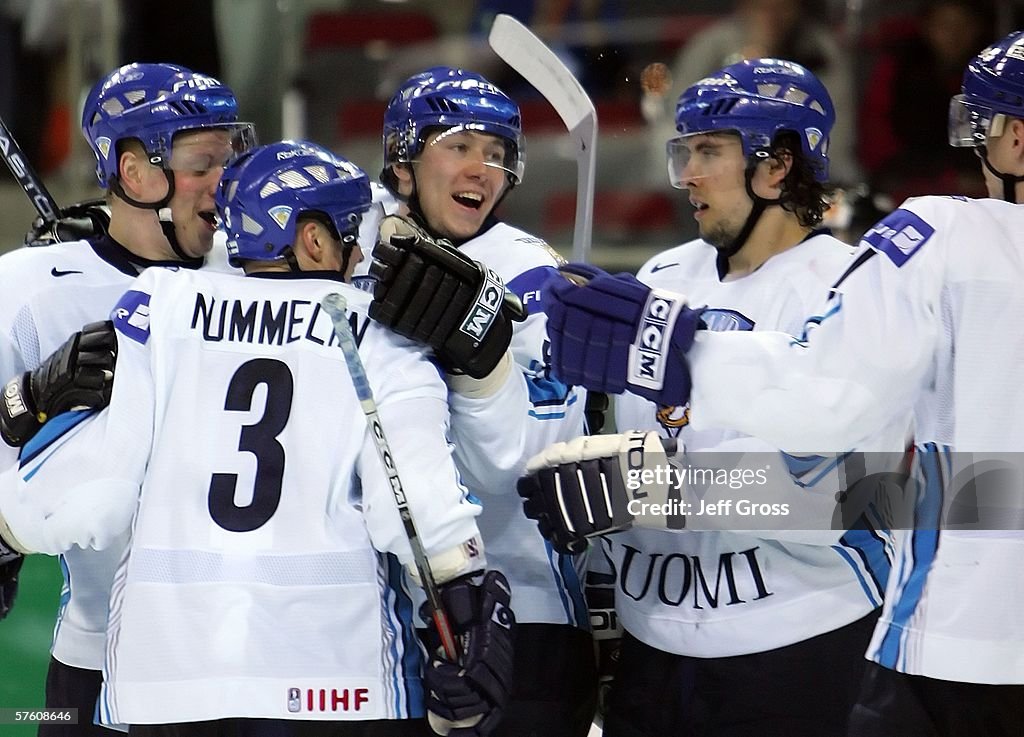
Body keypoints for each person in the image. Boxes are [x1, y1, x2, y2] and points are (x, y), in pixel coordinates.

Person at [525, 29, 1024, 737]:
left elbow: (861, 492)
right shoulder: (659, 279)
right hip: (654, 650)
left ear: (778, 164)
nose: (687, 174)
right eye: (681, 152)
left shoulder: (852, 284)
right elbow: (617, 444)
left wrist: (644, 488)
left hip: (798, 650)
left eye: (708, 152)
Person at [0, 139, 515, 737]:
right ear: (316, 241)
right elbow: (418, 509)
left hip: (164, 685)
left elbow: (97, 494)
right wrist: (468, 592)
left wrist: (10, 528)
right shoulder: (375, 332)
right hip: (336, 684)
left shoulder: (157, 311)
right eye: (357, 233)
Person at [0, 61, 256, 737]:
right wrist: (29, 400)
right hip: (94, 670)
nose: (224, 187)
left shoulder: (265, 274)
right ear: (136, 174)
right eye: (204, 164)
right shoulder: (30, 290)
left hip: (254, 669)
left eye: (231, 162)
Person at [366, 66, 597, 736]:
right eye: (460, 146)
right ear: (402, 162)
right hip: (384, 621)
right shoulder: (350, 253)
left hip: (523, 618)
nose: (482, 168)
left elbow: (525, 461)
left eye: (496, 153)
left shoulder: (533, 277)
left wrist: (484, 362)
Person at [644, 0, 860, 187]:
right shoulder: (711, 45)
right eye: (763, 9)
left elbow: (835, 135)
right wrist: (753, 55)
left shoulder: (819, 49)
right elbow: (676, 118)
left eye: (782, 9)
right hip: (720, 172)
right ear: (743, 6)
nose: (772, 19)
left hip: (804, 175)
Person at [857, 0, 995, 203]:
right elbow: (875, 138)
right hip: (904, 193)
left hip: (979, 196)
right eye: (944, 25)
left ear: (979, 28)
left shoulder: (992, 76)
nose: (954, 35)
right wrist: (943, 181)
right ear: (926, 26)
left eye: (964, 25)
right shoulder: (898, 68)